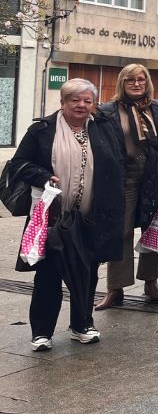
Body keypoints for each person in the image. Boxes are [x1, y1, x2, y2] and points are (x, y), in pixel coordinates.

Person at [11, 79, 125, 350]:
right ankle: (41, 332)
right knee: (48, 273)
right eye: (75, 100)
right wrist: (42, 175)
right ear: (63, 102)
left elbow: (118, 162)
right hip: (53, 217)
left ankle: (82, 324)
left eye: (87, 100)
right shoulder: (42, 129)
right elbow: (18, 164)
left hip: (91, 215)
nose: (82, 105)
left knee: (87, 272)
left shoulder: (104, 127)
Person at [95, 64, 158, 310]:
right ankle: (115, 288)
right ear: (121, 84)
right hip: (122, 177)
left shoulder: (157, 108)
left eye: (141, 80)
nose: (136, 84)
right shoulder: (107, 110)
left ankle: (150, 282)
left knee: (152, 231)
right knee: (121, 230)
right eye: (130, 81)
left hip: (153, 176)